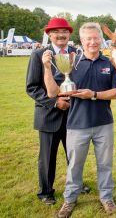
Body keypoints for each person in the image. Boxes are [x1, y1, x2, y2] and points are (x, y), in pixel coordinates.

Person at [42, 22, 116, 217]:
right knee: (75, 165)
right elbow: (52, 92)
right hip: (77, 125)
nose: (93, 42)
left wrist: (93, 94)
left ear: (101, 40)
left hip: (104, 123)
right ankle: (69, 200)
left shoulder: (109, 63)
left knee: (105, 164)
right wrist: (46, 68)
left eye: (96, 38)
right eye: (88, 39)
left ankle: (107, 197)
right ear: (82, 41)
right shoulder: (71, 62)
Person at [26, 17, 78, 205]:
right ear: (49, 35)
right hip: (49, 115)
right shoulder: (38, 54)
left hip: (73, 115)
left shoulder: (75, 53)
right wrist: (56, 102)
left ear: (69, 34)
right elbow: (32, 87)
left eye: (64, 31)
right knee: (47, 157)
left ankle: (75, 184)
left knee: (74, 154)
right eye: (56, 32)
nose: (60, 35)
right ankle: (46, 192)